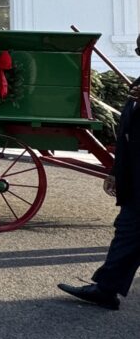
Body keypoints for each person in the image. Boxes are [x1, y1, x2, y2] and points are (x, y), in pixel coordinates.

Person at [58, 34, 140, 310]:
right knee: (128, 233)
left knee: (129, 232)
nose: (138, 54)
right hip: (136, 183)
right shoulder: (137, 89)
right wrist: (116, 173)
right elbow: (126, 136)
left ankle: (106, 288)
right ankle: (106, 289)